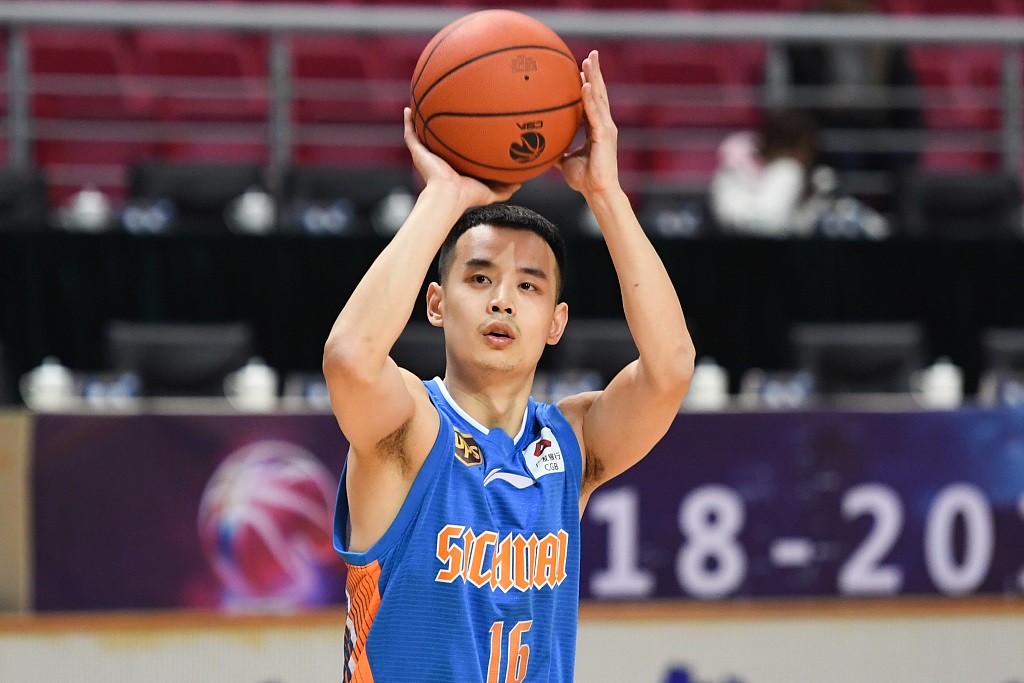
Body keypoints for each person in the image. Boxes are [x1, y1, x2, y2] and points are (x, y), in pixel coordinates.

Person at [323, 50, 694, 682]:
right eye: (479, 278)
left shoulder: (571, 444)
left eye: (528, 285)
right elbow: (350, 359)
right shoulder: (409, 431)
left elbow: (671, 369)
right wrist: (444, 197)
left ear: (556, 322)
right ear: (435, 304)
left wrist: (605, 193)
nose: (502, 299)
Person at [775, 0, 923, 210]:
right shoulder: (805, 30)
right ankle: (850, 217)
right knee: (846, 148)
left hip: (877, 123)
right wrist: (829, 103)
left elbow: (905, 92)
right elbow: (800, 93)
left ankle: (894, 223)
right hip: (825, 125)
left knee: (899, 154)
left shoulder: (882, 29)